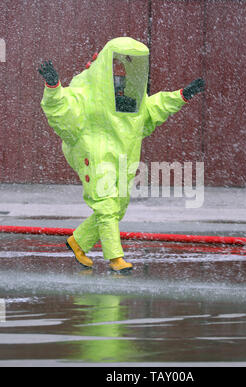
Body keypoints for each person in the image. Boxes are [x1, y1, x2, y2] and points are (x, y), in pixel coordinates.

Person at [38, 37, 205, 273]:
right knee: (106, 205)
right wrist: (53, 87)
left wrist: (182, 95)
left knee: (118, 206)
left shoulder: (131, 102)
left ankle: (78, 242)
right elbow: (61, 111)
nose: (121, 78)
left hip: (122, 157)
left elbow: (154, 108)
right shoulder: (88, 96)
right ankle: (116, 258)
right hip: (92, 152)